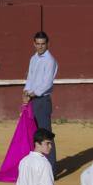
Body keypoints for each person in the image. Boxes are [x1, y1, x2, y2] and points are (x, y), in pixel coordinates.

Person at [23, 31, 59, 170]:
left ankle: (51, 168)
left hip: (42, 101)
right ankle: (40, 165)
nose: (40, 46)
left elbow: (47, 83)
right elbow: (30, 78)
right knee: (35, 133)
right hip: (32, 100)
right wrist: (26, 92)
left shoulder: (50, 60)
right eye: (37, 44)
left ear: (47, 44)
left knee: (45, 134)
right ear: (34, 44)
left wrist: (32, 93)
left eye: (43, 44)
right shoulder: (33, 58)